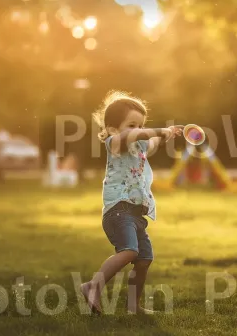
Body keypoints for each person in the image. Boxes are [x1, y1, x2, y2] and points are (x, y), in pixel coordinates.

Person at [80, 91, 183, 315]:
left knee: (144, 258)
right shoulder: (114, 143)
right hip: (118, 210)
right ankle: (92, 286)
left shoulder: (140, 146)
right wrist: (156, 130)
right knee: (128, 251)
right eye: (132, 125)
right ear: (112, 128)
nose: (138, 130)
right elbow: (139, 135)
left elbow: (152, 142)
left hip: (136, 212)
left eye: (141, 125)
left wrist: (167, 134)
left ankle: (134, 306)